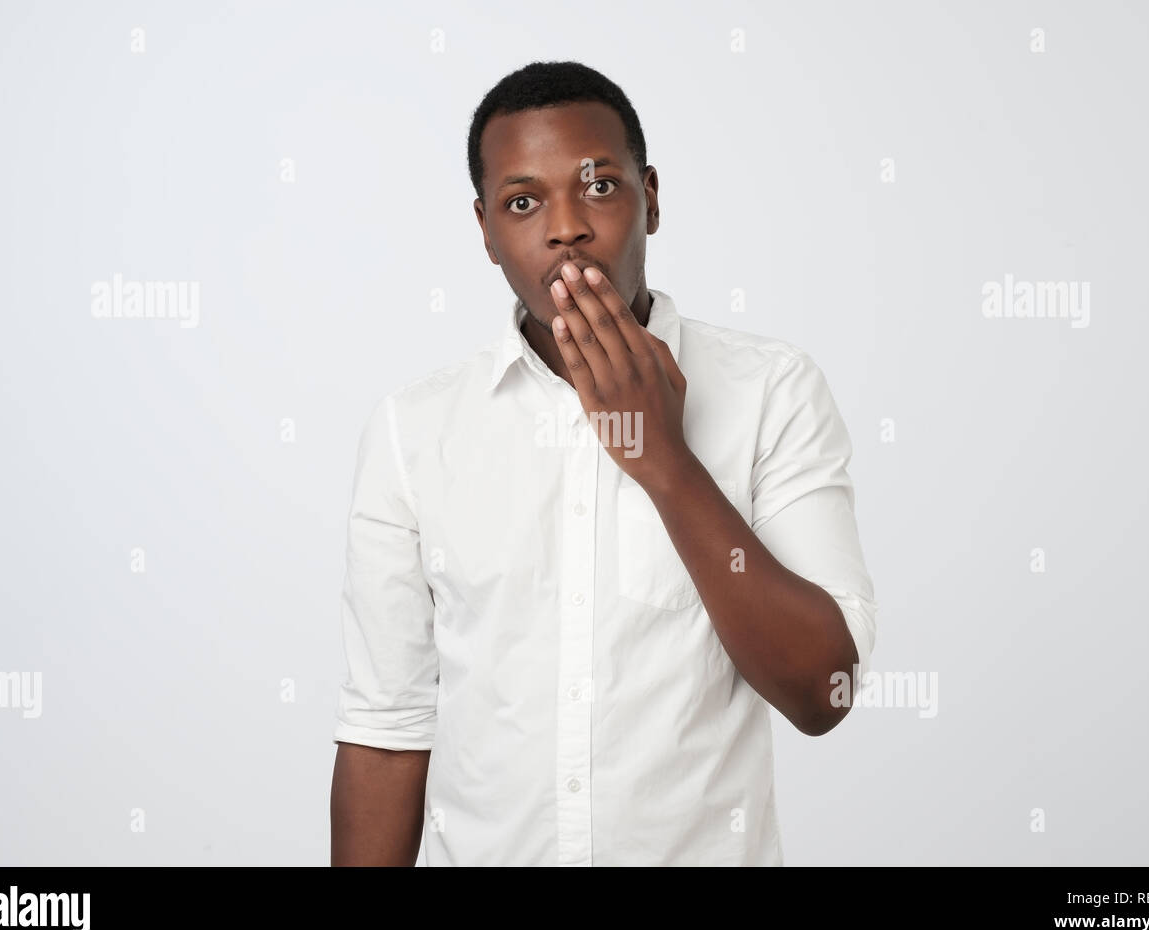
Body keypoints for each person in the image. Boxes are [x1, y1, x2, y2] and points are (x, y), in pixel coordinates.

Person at [329, 60, 877, 866]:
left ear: (650, 197)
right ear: (485, 230)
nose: (565, 228)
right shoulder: (414, 431)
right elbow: (386, 732)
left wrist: (664, 461)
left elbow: (822, 690)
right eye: (523, 203)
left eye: (598, 187)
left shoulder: (774, 391)